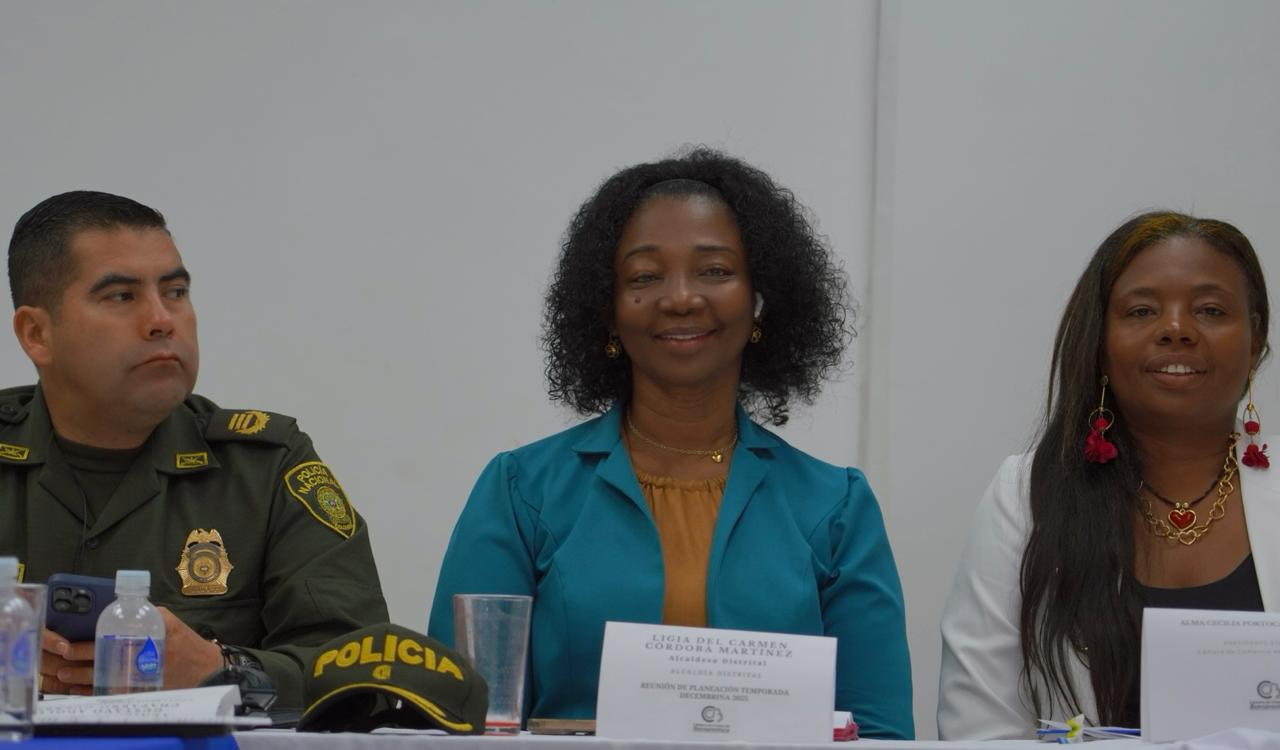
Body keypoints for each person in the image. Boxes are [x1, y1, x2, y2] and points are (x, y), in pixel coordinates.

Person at [427, 149, 913, 739]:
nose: (681, 297)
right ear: (608, 311)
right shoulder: (521, 493)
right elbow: (459, 725)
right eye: (644, 277)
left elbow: (882, 737)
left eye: (715, 271)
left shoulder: (836, 508)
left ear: (759, 301)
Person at [1, 191, 389, 707]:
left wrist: (222, 670)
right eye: (122, 296)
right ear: (37, 334)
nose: (162, 319)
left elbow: (367, 673)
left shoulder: (264, 469)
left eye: (176, 291)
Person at [937, 211, 1273, 738]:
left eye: (1210, 310)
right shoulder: (1026, 495)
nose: (1177, 329)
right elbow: (980, 730)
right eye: (1142, 311)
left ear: (1255, 342)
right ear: (1099, 344)